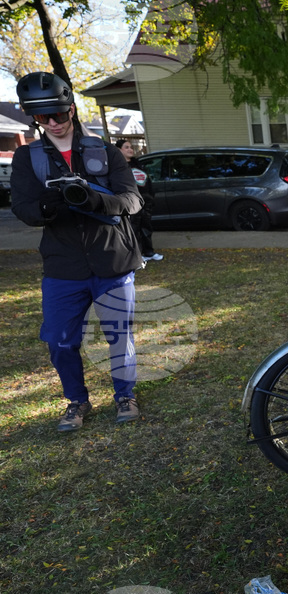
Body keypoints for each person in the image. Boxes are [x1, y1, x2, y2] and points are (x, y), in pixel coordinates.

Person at [10, 72, 144, 431]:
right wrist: (47, 206)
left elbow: (133, 201)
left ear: (71, 109)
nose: (53, 123)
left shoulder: (106, 151)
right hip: (63, 266)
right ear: (34, 118)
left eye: (58, 114)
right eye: (43, 117)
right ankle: (77, 400)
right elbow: (23, 208)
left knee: (119, 336)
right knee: (59, 340)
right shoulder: (27, 158)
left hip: (112, 260)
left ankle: (125, 395)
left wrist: (96, 200)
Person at [116, 138, 162, 262]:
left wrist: (150, 196)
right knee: (133, 229)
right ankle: (136, 255)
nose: (130, 149)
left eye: (131, 147)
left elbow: (147, 181)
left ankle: (149, 252)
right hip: (131, 203)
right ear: (119, 150)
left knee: (146, 227)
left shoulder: (138, 164)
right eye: (126, 147)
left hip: (145, 202)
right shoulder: (118, 166)